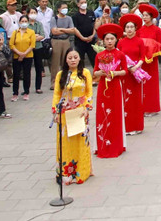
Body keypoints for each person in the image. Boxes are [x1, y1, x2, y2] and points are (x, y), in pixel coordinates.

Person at [52, 48, 93, 184]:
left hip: (80, 112)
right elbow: (57, 94)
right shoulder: (61, 75)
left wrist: (87, 108)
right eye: (70, 58)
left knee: (80, 141)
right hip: (64, 112)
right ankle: (66, 173)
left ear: (80, 58)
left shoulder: (85, 73)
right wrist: (56, 112)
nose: (73, 60)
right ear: (65, 60)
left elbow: (88, 93)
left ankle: (82, 171)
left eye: (75, 57)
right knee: (66, 143)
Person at [94, 23, 129, 158]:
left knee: (115, 114)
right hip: (103, 87)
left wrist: (114, 73)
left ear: (116, 40)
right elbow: (95, 72)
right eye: (107, 39)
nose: (109, 41)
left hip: (115, 86)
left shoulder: (120, 55)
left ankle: (116, 145)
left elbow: (125, 71)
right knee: (103, 114)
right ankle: (102, 145)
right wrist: (102, 72)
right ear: (103, 41)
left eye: (111, 39)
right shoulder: (100, 55)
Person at [116, 16, 145, 135]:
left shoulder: (140, 41)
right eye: (127, 27)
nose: (129, 29)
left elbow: (142, 57)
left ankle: (137, 125)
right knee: (125, 99)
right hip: (125, 73)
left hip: (136, 73)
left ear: (135, 29)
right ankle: (127, 126)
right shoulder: (121, 42)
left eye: (131, 27)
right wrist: (125, 67)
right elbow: (118, 57)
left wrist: (136, 67)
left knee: (136, 100)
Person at [137, 3, 161, 115]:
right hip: (142, 60)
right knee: (143, 84)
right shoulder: (139, 30)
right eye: (143, 15)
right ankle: (143, 107)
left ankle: (153, 107)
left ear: (152, 17)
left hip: (152, 60)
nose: (145, 17)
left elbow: (159, 44)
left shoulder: (157, 30)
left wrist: (150, 48)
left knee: (152, 84)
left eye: (147, 15)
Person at [9, 15, 36, 101]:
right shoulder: (15, 32)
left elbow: (32, 45)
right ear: (19, 22)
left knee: (26, 74)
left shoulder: (31, 32)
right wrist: (19, 53)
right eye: (22, 21)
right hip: (17, 56)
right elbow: (11, 44)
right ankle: (15, 93)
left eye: (25, 21)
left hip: (28, 56)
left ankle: (26, 92)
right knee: (16, 75)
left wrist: (24, 54)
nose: (24, 23)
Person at [51, 2, 75, 80]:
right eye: (63, 8)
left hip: (66, 40)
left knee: (66, 61)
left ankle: (66, 79)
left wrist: (61, 29)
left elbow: (72, 30)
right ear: (58, 9)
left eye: (66, 8)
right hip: (56, 41)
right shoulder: (54, 18)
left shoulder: (69, 18)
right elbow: (54, 31)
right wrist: (66, 30)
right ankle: (54, 81)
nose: (65, 9)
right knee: (55, 62)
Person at [71, 0, 97, 69]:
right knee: (80, 60)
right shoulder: (75, 16)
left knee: (94, 59)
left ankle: (96, 77)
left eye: (85, 2)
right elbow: (74, 29)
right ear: (78, 4)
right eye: (82, 3)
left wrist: (92, 35)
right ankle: (80, 75)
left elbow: (95, 24)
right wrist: (83, 38)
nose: (84, 4)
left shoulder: (91, 13)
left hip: (91, 40)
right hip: (80, 41)